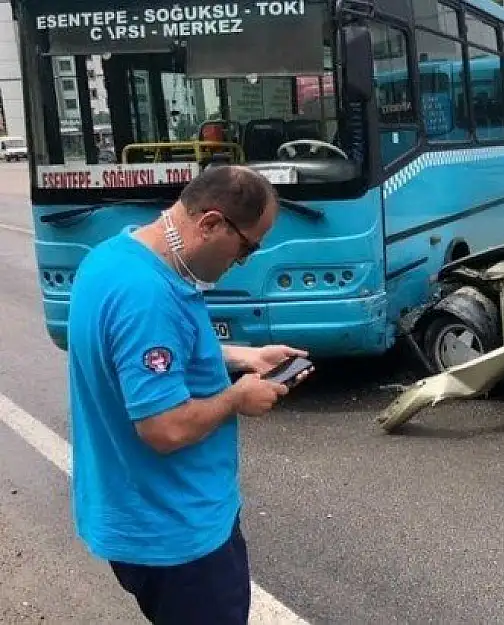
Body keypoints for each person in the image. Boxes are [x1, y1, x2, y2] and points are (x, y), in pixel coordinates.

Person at [66, 164, 312, 624]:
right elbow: (165, 428)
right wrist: (236, 399)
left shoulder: (114, 256)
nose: (242, 262)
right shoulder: (149, 296)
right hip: (175, 532)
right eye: (245, 248)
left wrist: (242, 357)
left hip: (141, 511)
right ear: (211, 223)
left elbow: (140, 354)